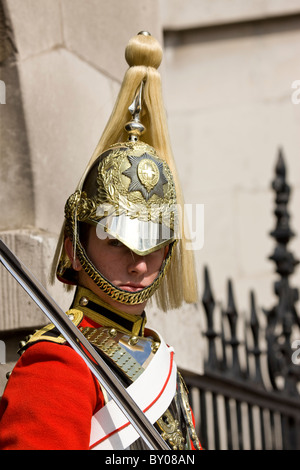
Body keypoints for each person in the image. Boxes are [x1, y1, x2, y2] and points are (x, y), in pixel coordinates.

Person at [0, 32, 202, 450]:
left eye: (153, 245)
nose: (138, 264)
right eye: (117, 242)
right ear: (76, 246)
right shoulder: (57, 362)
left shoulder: (162, 361)